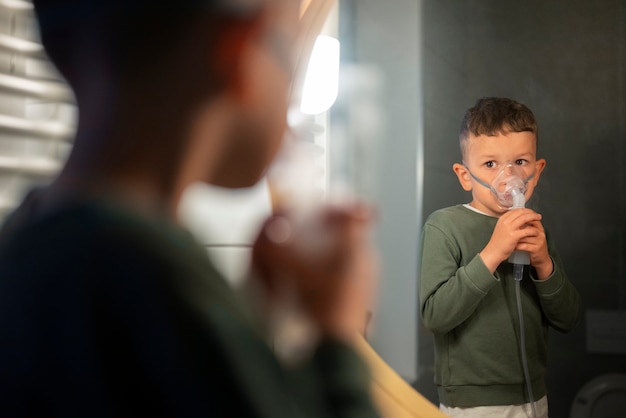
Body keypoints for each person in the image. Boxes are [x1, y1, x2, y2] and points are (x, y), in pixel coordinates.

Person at [0, 0, 381, 416]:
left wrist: (248, 318)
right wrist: (338, 336)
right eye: (291, 57)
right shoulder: (150, 279)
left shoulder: (29, 247)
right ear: (238, 52)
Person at [419, 97, 581, 418]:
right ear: (466, 176)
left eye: (520, 162)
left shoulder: (536, 231)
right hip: (473, 403)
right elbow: (435, 315)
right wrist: (493, 253)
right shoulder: (446, 225)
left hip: (534, 396)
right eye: (490, 164)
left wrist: (543, 264)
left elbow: (568, 318)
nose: (508, 176)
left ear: (537, 169)